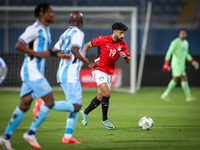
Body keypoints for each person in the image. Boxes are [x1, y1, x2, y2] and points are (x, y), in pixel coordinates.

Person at [0, 3, 71, 150]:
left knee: (24, 105)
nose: (53, 14)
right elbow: (19, 45)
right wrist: (39, 54)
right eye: (51, 12)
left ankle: (5, 137)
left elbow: (44, 50)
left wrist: (58, 54)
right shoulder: (34, 29)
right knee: (49, 101)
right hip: (31, 71)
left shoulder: (46, 30)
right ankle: (31, 133)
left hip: (35, 72)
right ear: (42, 13)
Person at [32, 11, 97, 144]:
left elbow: (54, 51)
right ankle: (43, 103)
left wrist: (64, 57)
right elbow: (74, 49)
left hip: (61, 72)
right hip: (70, 74)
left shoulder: (65, 34)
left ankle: (67, 136)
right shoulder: (78, 33)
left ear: (69, 22)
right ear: (82, 22)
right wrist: (87, 62)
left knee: (72, 105)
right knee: (77, 106)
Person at [81, 22, 131, 130]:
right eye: (121, 33)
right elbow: (86, 45)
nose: (122, 35)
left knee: (100, 97)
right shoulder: (102, 39)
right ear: (114, 31)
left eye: (124, 33)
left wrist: (126, 57)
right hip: (98, 69)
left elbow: (129, 60)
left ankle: (85, 112)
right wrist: (82, 61)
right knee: (107, 93)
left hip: (109, 72)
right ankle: (105, 119)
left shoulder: (122, 44)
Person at [161, 29, 199, 102]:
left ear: (186, 34)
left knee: (177, 79)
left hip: (182, 65)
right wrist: (166, 63)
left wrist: (192, 61)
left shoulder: (186, 43)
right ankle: (188, 96)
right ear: (179, 34)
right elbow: (169, 52)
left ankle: (165, 94)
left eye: (184, 33)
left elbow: (186, 54)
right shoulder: (175, 42)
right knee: (182, 78)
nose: (183, 35)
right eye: (181, 33)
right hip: (176, 64)